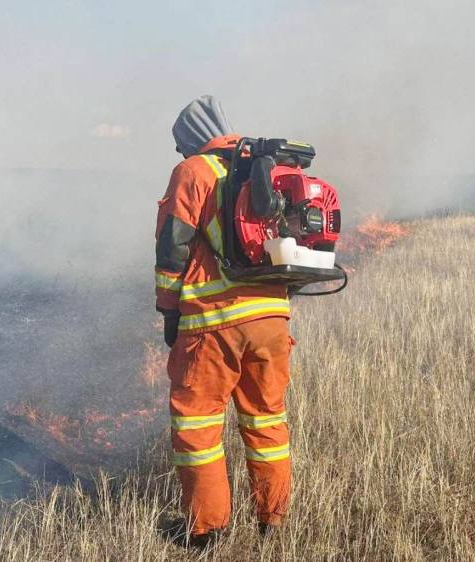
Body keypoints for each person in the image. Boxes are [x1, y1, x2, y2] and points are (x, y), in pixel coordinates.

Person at [154, 95, 294, 548]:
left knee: (196, 427)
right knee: (266, 422)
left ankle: (207, 530)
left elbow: (172, 247)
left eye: (182, 145)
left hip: (215, 322)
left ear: (192, 139)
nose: (181, 153)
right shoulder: (264, 168)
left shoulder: (194, 171)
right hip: (271, 317)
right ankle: (273, 521)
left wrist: (168, 309)